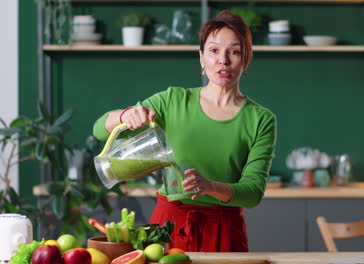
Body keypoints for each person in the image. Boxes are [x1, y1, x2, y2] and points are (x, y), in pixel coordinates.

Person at [93, 10, 276, 252]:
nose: (223, 60)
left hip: (224, 230)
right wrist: (125, 115)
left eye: (234, 51)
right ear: (201, 58)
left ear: (246, 59)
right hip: (168, 228)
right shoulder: (172, 101)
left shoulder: (261, 119)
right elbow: (99, 129)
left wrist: (209, 186)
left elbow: (253, 192)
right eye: (213, 50)